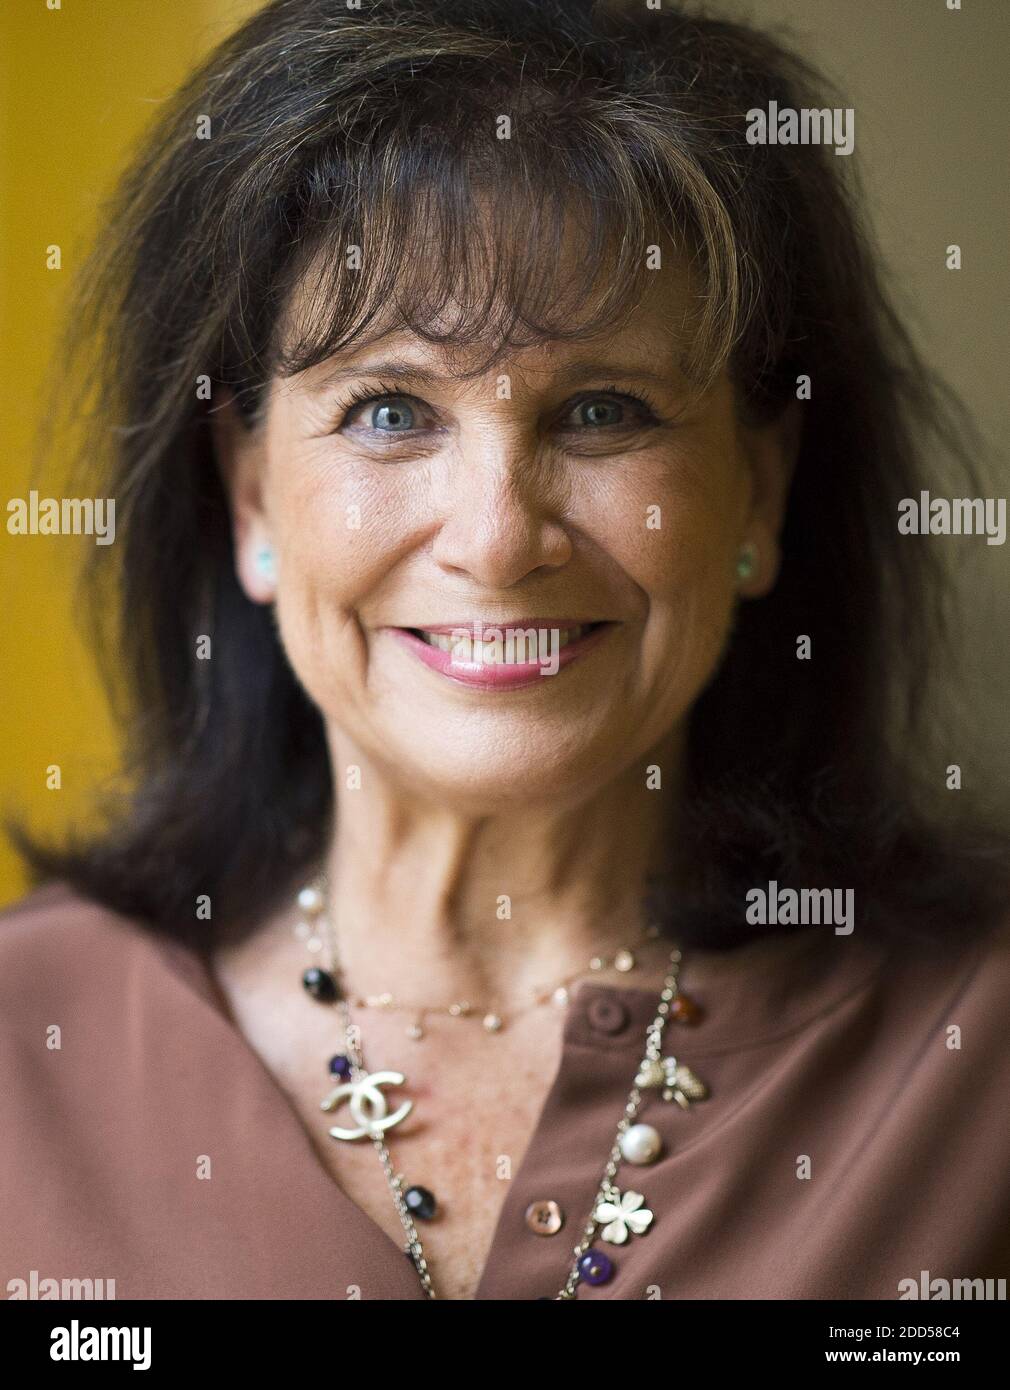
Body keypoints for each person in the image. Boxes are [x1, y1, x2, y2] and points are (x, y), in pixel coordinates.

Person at [2, 0, 1008, 1303]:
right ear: (250, 497)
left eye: (601, 411)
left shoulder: (971, 1056)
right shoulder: (26, 1051)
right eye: (388, 409)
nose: (493, 537)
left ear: (756, 493)